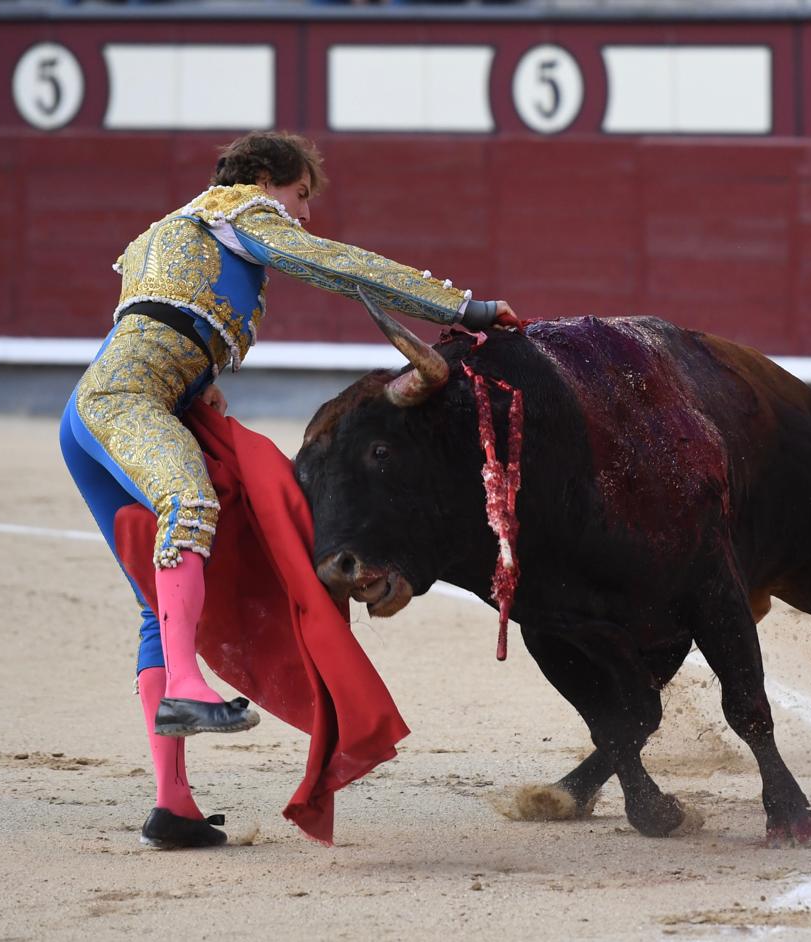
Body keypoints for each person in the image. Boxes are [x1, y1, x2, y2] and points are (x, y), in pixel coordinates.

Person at [59, 130, 517, 850]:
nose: (302, 214)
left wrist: (200, 389)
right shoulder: (239, 213)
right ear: (267, 179)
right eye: (301, 195)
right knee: (191, 504)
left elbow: (155, 329)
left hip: (94, 411)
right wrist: (463, 308)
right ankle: (186, 687)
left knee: (160, 601)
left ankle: (173, 805)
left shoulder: (162, 236)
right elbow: (339, 266)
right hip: (126, 403)